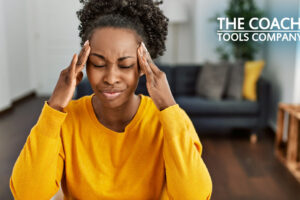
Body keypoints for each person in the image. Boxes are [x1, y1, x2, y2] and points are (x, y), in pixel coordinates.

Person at [9, 0, 212, 199]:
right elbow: (27, 194)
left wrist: (168, 106)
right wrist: (54, 107)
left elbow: (194, 196)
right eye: (98, 63)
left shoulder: (171, 121)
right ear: (84, 64)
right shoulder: (65, 120)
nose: (111, 78)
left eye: (124, 65)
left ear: (143, 67)